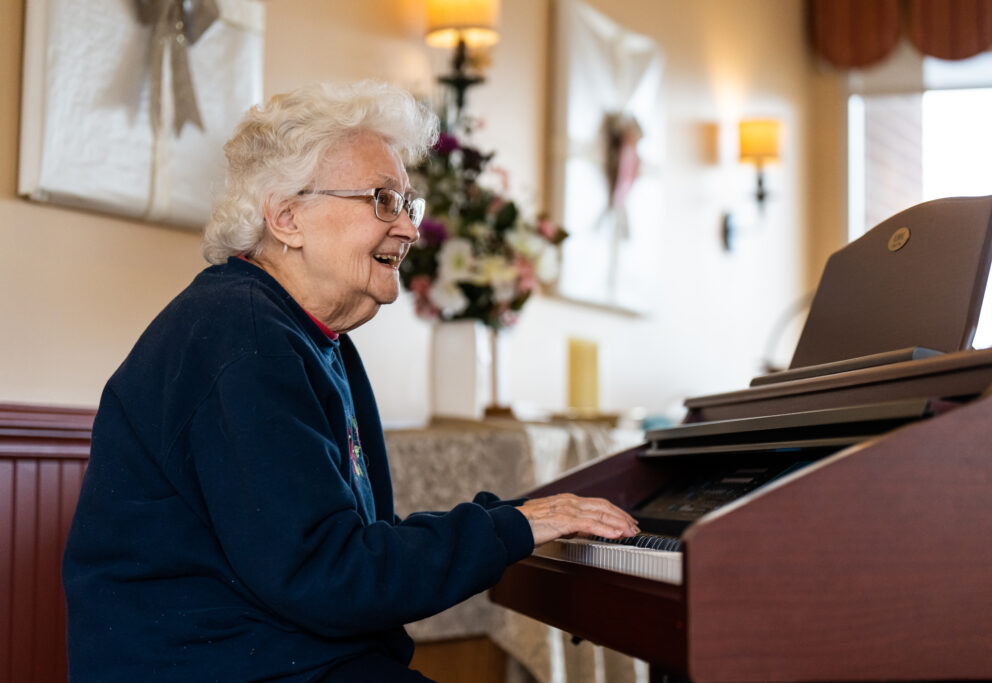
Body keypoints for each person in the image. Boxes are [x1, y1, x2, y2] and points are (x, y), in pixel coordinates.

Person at [62, 80, 638, 682]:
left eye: (408, 206)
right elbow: (328, 575)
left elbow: (341, 551)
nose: (410, 230)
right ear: (287, 217)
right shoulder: (246, 336)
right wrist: (511, 526)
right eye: (383, 201)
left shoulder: (305, 334)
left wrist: (516, 518)